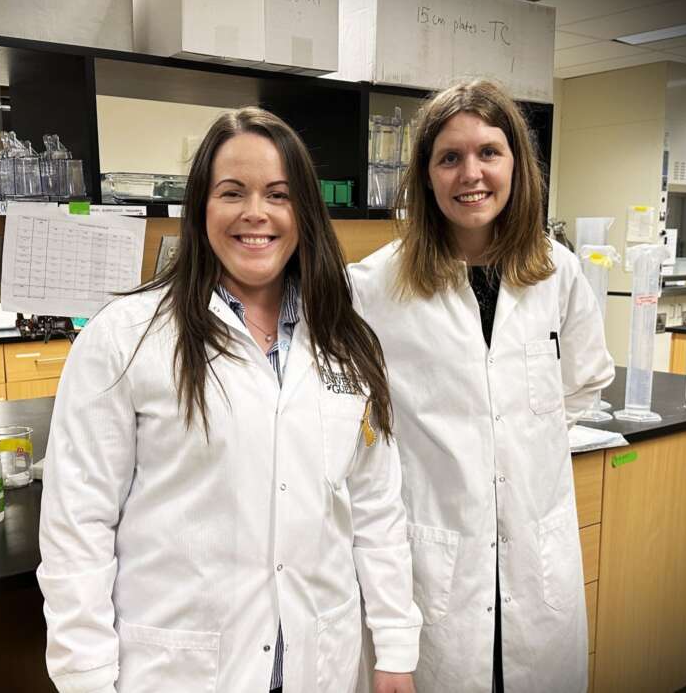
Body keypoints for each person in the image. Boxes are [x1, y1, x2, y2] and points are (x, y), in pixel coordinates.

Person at [37, 106, 421, 693]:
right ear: (201, 208)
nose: (255, 214)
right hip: (182, 668)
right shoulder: (126, 337)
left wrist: (394, 647)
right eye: (232, 192)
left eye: (278, 194)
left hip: (320, 662)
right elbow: (78, 526)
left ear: (305, 212)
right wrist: (85, 677)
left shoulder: (346, 339)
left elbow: (376, 510)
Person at [349, 80, 615, 693]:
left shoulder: (557, 270)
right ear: (426, 175)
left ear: (517, 164)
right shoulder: (374, 285)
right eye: (450, 157)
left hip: (534, 555)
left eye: (489, 152)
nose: (472, 173)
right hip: (436, 564)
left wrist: (517, 437)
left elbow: (583, 382)